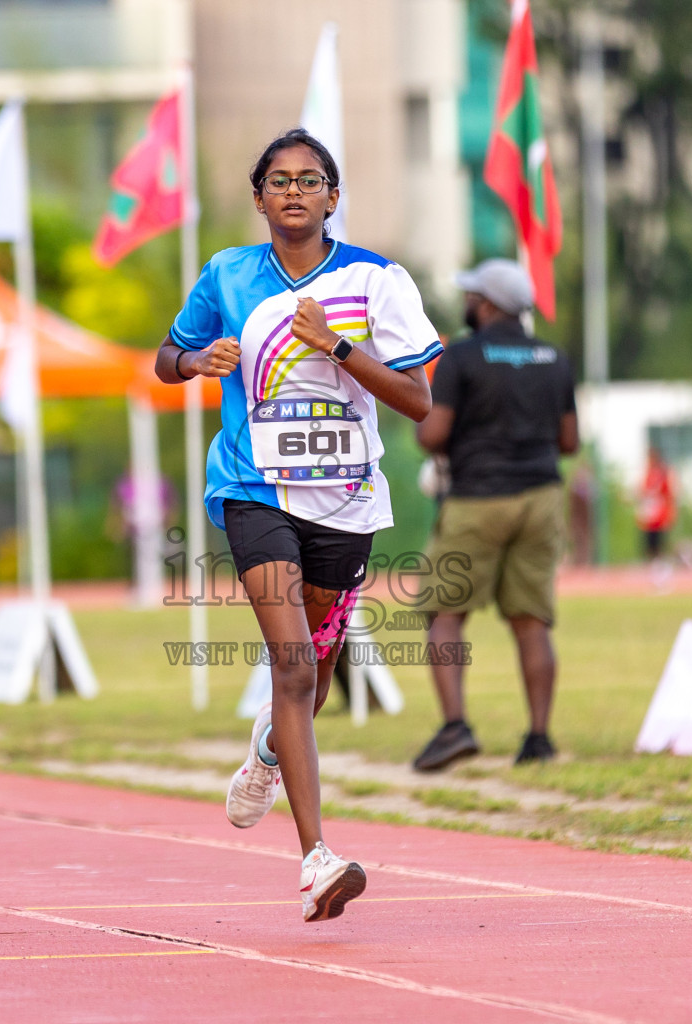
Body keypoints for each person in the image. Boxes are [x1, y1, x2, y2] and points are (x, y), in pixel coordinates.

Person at [154, 128, 440, 922]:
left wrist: (338, 347)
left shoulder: (377, 281)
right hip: (252, 489)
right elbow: (164, 360)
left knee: (310, 662)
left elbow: (419, 402)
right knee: (297, 669)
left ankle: (269, 749)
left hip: (346, 501)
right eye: (278, 180)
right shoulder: (227, 275)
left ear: (332, 198)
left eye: (309, 180)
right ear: (259, 198)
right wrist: (195, 362)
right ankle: (316, 860)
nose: (293, 191)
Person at [411, 259, 579, 772]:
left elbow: (434, 433)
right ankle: (539, 738)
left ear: (485, 305)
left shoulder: (461, 356)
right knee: (531, 621)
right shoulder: (553, 356)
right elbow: (569, 442)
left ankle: (456, 726)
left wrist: (428, 431)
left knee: (444, 614)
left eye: (471, 297)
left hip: (477, 498)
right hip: (541, 497)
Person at [637, 445, 676, 563]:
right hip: (649, 515)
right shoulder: (647, 473)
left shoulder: (663, 473)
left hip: (660, 514)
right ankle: (651, 564)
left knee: (660, 542)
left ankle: (660, 565)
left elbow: (669, 493)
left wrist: (669, 513)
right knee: (649, 542)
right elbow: (642, 492)